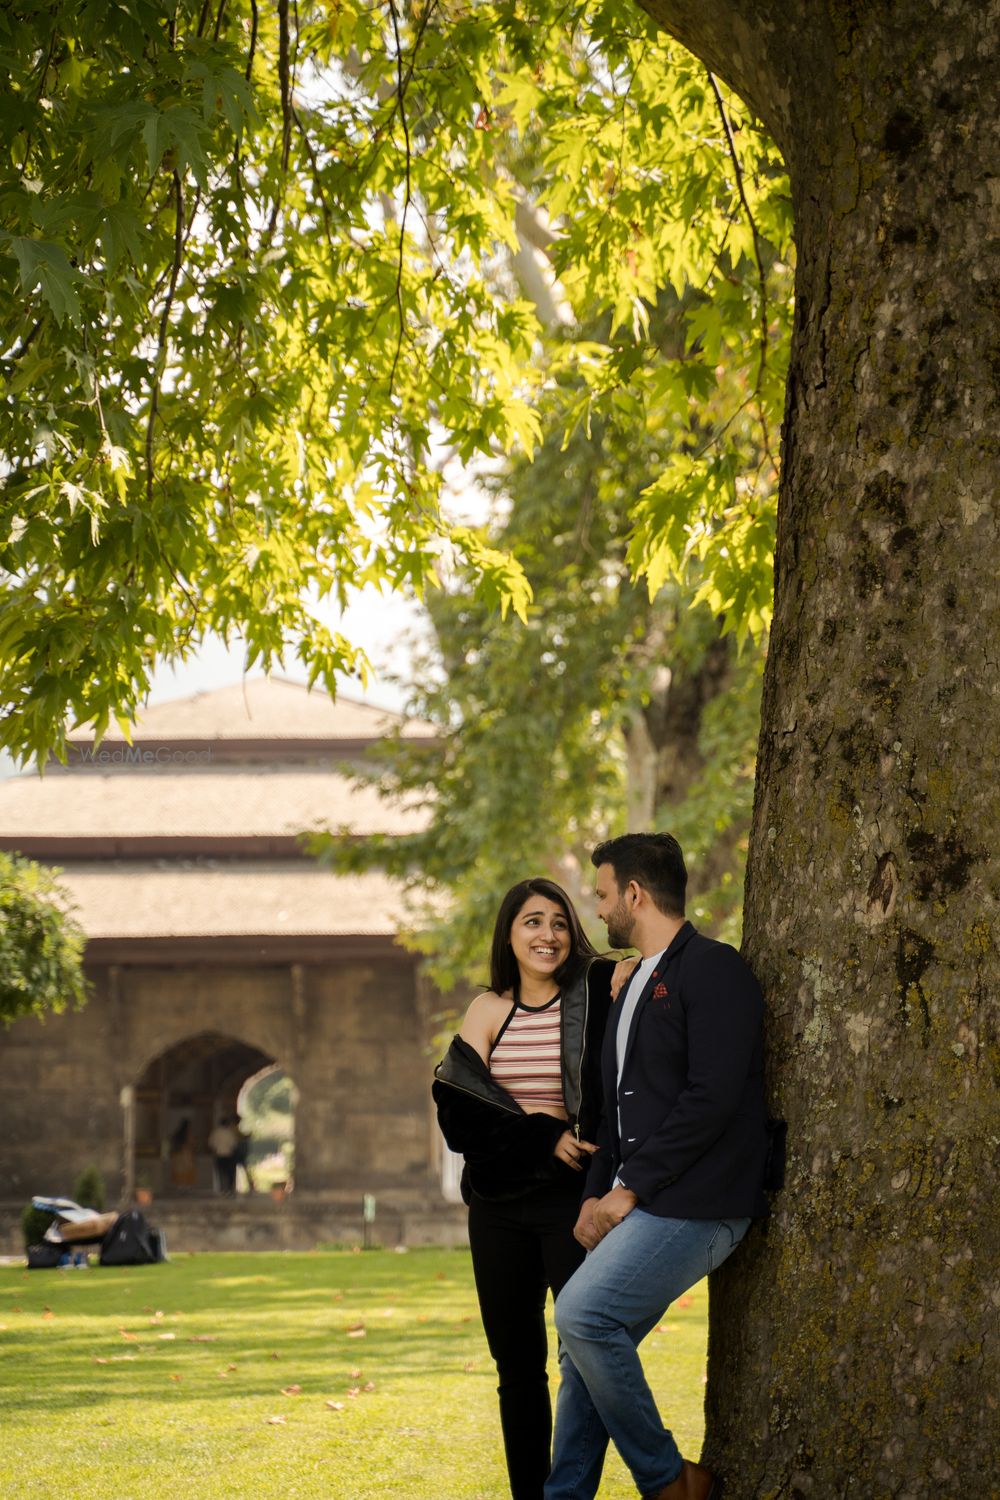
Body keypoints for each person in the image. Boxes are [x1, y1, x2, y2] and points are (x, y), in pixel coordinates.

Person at [544, 833, 772, 1500]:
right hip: (636, 1203)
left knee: (583, 1317)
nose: (598, 905)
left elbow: (712, 1098)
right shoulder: (631, 981)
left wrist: (631, 1190)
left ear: (636, 894)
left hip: (701, 1205)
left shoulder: (716, 970)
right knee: (579, 1354)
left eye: (604, 893)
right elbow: (615, 1111)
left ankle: (671, 1482)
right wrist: (595, 1195)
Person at [433, 877, 615, 1500]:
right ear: (509, 934)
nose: (548, 935)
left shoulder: (597, 994)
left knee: (583, 1354)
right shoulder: (489, 1010)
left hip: (573, 1200)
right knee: (517, 1367)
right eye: (533, 922)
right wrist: (541, 1134)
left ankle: (569, 1490)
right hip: (498, 1206)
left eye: (560, 922)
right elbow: (459, 1115)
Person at [207, 1115, 240, 1195]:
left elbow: (211, 1144)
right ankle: (228, 1189)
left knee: (220, 1173)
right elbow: (234, 1144)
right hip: (229, 1155)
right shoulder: (230, 1133)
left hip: (218, 1155)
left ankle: (222, 1189)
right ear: (227, 1124)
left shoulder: (215, 1132)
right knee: (229, 1173)